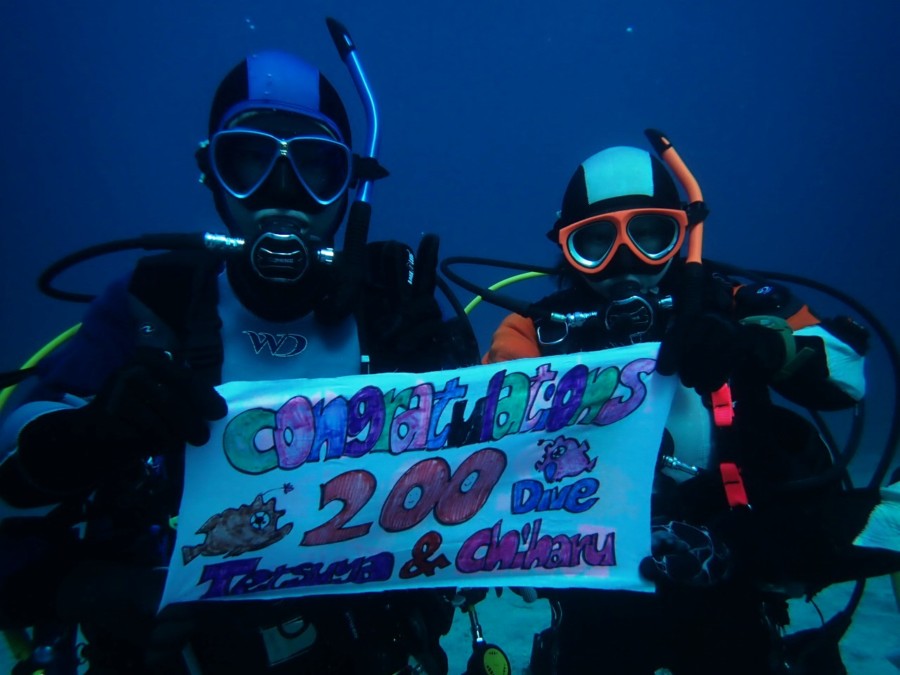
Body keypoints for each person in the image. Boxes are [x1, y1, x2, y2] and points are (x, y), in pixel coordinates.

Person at [0, 42, 477, 674]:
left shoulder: (393, 307)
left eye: (315, 165)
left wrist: (452, 388)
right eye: (248, 160)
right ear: (212, 173)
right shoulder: (154, 305)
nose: (281, 191)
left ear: (350, 185)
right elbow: (11, 475)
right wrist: (87, 443)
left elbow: (488, 487)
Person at [481, 134, 876, 674]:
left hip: (734, 567)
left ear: (682, 233)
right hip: (597, 584)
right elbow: (481, 424)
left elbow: (847, 374)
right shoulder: (535, 330)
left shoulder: (731, 304)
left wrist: (763, 344)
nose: (626, 260)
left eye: (650, 234)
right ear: (566, 247)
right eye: (596, 242)